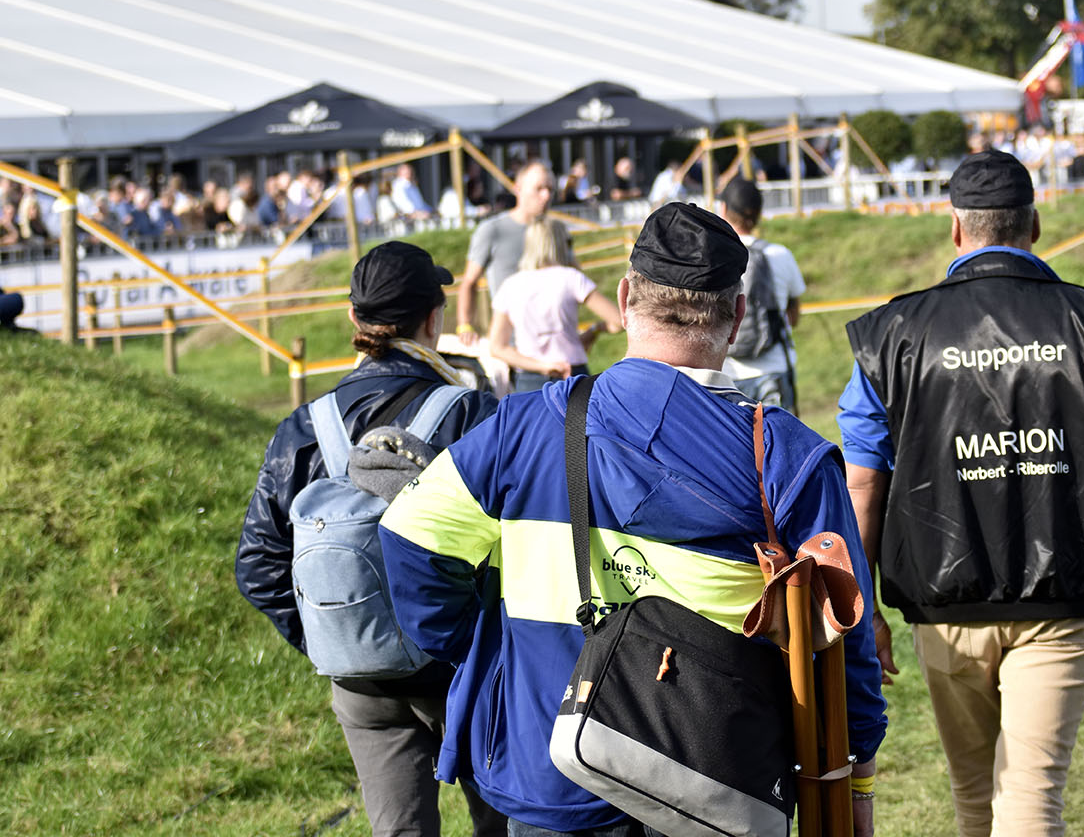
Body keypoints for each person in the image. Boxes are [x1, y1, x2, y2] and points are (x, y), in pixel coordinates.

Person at [378, 202, 887, 837]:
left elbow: (407, 537)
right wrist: (856, 778)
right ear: (735, 316)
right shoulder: (789, 457)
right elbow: (848, 641)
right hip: (717, 785)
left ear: (624, 299)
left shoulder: (519, 428)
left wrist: (495, 655)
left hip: (554, 773)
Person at [838, 150, 1084, 837]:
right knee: (1031, 796)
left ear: (956, 230)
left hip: (941, 602)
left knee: (975, 799)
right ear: (1035, 225)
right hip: (1064, 601)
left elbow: (863, 484)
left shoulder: (891, 335)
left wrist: (861, 608)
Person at [236, 241, 506, 837]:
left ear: (354, 321)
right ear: (435, 319)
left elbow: (257, 565)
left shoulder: (304, 428)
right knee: (505, 825)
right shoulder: (474, 414)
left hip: (362, 681)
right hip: (467, 667)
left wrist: (336, 637)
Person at [488, 218, 622, 393]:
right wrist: (595, 329)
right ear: (561, 244)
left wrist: (542, 366)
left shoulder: (510, 285)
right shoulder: (571, 278)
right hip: (572, 373)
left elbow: (497, 347)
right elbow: (619, 320)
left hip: (529, 378)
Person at [718, 179, 805, 413]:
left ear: (723, 209)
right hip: (773, 369)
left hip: (726, 375)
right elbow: (793, 316)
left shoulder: (713, 257)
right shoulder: (780, 254)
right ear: (759, 214)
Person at [455, 160, 552, 345]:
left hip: (554, 345)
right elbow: (469, 282)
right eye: (539, 188)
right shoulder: (492, 229)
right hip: (511, 345)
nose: (546, 196)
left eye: (550, 189)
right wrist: (465, 326)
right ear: (518, 189)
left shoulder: (555, 232)